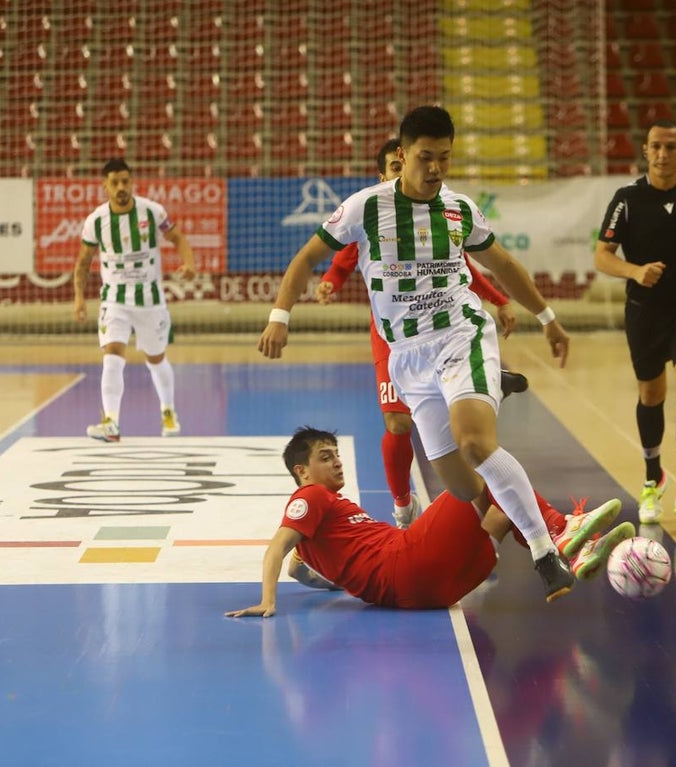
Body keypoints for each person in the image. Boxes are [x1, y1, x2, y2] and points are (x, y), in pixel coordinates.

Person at [258, 106, 578, 602]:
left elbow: (503, 264)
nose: (435, 169)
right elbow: (306, 259)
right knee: (461, 483)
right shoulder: (365, 207)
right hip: (408, 357)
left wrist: (547, 316)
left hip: (459, 334)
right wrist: (280, 316)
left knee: (475, 444)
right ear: (401, 156)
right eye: (425, 158)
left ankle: (545, 551)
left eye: (444, 158)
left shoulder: (460, 209)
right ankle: (492, 387)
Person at [315, 137, 528, 528]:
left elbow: (462, 268)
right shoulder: (372, 214)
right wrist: (329, 281)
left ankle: (499, 524)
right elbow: (342, 261)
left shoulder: (441, 213)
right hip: (395, 336)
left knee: (470, 435)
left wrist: (499, 299)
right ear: (387, 174)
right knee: (398, 424)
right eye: (397, 170)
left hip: (447, 329)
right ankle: (403, 507)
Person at [224, 427, 633, 616]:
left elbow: (307, 566)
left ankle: (574, 554)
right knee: (483, 460)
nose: (336, 460)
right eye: (324, 456)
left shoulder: (330, 520)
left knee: (506, 507)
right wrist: (268, 600)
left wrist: (308, 575)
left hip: (431, 594)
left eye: (336, 452)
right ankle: (561, 532)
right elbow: (279, 546)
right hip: (409, 562)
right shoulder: (310, 497)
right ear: (302, 472)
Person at [593, 119, 676, 525]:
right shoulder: (627, 199)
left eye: (671, 147)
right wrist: (635, 272)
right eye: (656, 146)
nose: (663, 154)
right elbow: (602, 254)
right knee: (651, 394)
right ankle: (653, 479)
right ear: (645, 151)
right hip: (645, 311)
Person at [74, 158, 196, 441]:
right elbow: (83, 263)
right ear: (105, 186)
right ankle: (111, 423)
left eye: (125, 181)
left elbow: (178, 238)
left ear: (132, 182)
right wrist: (79, 299)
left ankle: (168, 412)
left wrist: (189, 263)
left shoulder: (152, 211)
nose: (120, 187)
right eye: (114, 182)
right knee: (112, 355)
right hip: (114, 299)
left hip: (150, 300)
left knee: (156, 358)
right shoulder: (96, 220)